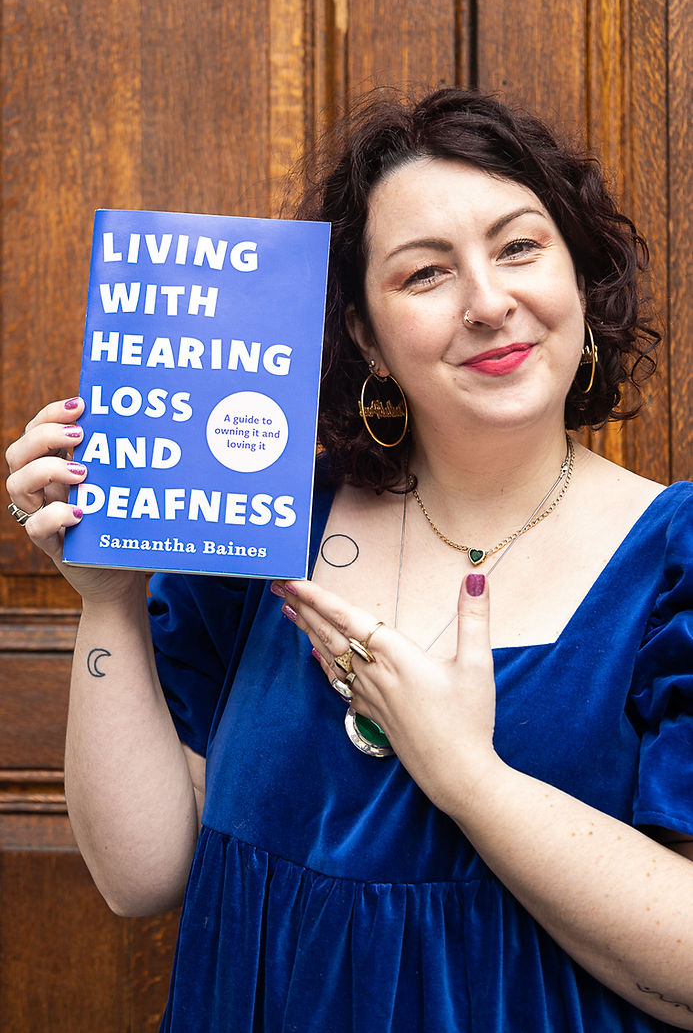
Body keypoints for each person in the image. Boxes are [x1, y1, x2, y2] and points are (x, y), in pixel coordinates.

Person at [5, 87, 693, 1032]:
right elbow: (139, 878)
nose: (490, 303)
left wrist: (467, 777)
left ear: (578, 274)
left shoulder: (674, 563)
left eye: (520, 246)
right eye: (424, 275)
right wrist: (109, 596)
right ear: (365, 334)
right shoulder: (253, 528)